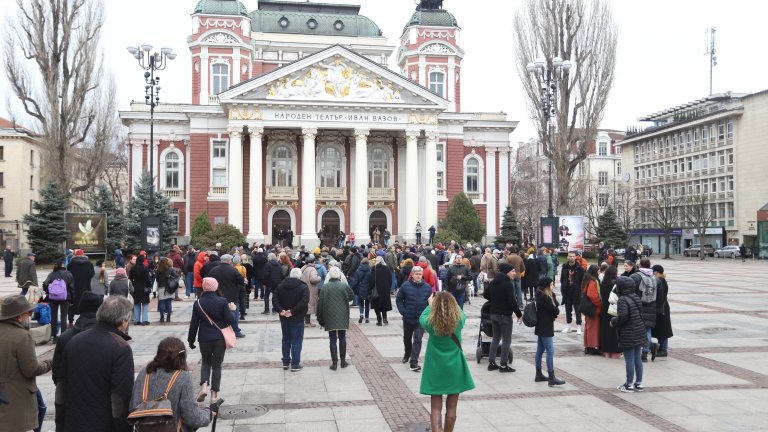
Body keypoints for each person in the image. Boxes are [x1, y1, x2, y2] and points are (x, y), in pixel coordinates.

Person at [59, 295, 134, 431]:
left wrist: (60, 424)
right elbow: (121, 397)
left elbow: (61, 388)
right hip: (103, 424)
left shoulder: (74, 341)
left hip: (73, 423)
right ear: (123, 321)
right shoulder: (121, 348)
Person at [419, 292, 475, 432]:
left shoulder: (430, 323)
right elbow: (461, 311)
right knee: (452, 406)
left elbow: (422, 317)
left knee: (435, 407)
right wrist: (452, 302)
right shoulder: (459, 320)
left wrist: (431, 305)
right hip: (454, 366)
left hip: (435, 366)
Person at [130, 337, 212, 431]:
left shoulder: (144, 373)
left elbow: (133, 407)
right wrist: (208, 413)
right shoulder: (183, 377)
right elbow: (192, 418)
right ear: (182, 357)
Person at [0, 295, 53, 432]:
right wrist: (50, 363)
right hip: (16, 394)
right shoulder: (22, 336)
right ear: (18, 316)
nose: (30, 315)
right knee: (38, 410)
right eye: (28, 313)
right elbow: (31, 369)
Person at [51, 292, 102, 430]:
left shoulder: (65, 337)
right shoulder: (108, 338)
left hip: (71, 403)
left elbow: (56, 372)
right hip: (100, 405)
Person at [188, 277, 238, 403]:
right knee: (217, 366)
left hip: (204, 337)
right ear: (216, 287)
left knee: (205, 362)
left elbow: (194, 323)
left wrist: (191, 340)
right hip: (219, 338)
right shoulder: (222, 301)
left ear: (204, 287)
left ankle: (204, 386)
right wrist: (232, 310)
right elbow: (230, 320)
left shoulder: (198, 303)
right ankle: (214, 396)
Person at [483, 262, 523, 373]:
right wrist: (519, 314)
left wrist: (495, 299)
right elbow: (512, 301)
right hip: (504, 315)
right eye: (513, 271)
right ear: (507, 272)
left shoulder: (494, 281)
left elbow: (486, 295)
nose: (514, 273)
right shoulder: (507, 283)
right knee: (506, 339)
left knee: (496, 338)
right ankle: (504, 365)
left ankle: (491, 362)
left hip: (494, 314)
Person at [611, 276, 647, 393]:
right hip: (639, 331)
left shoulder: (622, 299)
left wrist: (613, 321)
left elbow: (623, 317)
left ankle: (629, 384)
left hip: (628, 333)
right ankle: (639, 383)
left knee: (629, 359)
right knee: (637, 358)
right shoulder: (635, 296)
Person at [316, 266, 355, 370]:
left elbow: (320, 303)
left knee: (332, 338)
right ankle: (343, 361)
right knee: (342, 337)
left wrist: (319, 317)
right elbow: (352, 296)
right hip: (342, 314)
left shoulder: (326, 287)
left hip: (329, 315)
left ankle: (334, 363)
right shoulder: (344, 286)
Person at [396, 266, 432, 372]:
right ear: (412, 275)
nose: (418, 276)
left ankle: (414, 362)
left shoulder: (427, 287)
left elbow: (430, 303)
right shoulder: (405, 286)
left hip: (420, 319)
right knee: (407, 338)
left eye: (420, 274)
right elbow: (399, 299)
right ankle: (407, 353)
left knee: (418, 339)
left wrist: (428, 314)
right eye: (416, 274)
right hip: (408, 317)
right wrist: (403, 311)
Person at [531, 277, 566, 386]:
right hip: (546, 326)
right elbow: (555, 310)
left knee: (540, 351)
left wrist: (553, 297)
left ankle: (538, 374)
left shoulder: (540, 295)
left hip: (541, 326)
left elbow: (555, 308)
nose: (553, 286)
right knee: (550, 351)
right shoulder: (545, 297)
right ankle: (551, 377)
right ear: (546, 286)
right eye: (551, 284)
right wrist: (553, 302)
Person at [273, 268, 310, 371]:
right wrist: (292, 311)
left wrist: (281, 310)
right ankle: (295, 363)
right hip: (297, 317)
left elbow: (275, 300)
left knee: (286, 339)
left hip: (284, 317)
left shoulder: (280, 286)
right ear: (300, 276)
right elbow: (304, 302)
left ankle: (285, 361)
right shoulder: (303, 287)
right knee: (296, 341)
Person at [209, 254, 246, 338]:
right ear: (229, 261)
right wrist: (237, 288)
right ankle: (236, 331)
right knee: (233, 315)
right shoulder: (233, 270)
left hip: (218, 296)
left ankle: (220, 331)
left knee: (219, 315)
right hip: (232, 296)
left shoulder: (214, 270)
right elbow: (241, 281)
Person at [630, 257, 658, 362]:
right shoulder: (654, 277)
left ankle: (641, 350)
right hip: (651, 306)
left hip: (639, 307)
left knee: (636, 330)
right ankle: (645, 352)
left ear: (639, 265)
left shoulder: (636, 276)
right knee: (648, 330)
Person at [42, 259, 75, 342]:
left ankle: (54, 336)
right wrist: (72, 300)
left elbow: (45, 284)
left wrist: (48, 292)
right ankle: (63, 336)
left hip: (53, 297)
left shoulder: (52, 274)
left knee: (54, 316)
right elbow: (72, 288)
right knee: (64, 317)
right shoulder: (68, 274)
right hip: (65, 297)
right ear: (63, 265)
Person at [599, 266, 621, 359]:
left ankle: (606, 351)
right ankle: (615, 351)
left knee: (605, 330)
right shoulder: (616, 283)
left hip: (604, 309)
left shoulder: (603, 283)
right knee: (614, 330)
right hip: (614, 309)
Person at [651, 264, 673, 358]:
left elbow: (661, 296)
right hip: (662, 307)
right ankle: (661, 348)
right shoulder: (660, 280)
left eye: (653, 270)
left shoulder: (660, 280)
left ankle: (663, 349)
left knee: (663, 330)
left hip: (662, 308)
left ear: (656, 271)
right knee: (661, 329)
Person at [559, 251, 584, 334]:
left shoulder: (579, 268)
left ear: (576, 257)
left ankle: (579, 326)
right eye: (570, 256)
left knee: (577, 310)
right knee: (568, 310)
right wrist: (563, 288)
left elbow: (583, 281)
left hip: (576, 292)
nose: (572, 258)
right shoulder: (565, 267)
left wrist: (580, 291)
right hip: (567, 292)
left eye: (573, 256)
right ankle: (568, 326)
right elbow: (562, 279)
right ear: (567, 257)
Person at [68, 249, 94, 324]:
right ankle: (83, 321)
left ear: (75, 255)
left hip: (74, 289)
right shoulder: (89, 263)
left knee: (72, 305)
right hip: (86, 287)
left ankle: (70, 322)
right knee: (85, 304)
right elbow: (92, 274)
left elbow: (68, 275)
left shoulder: (71, 264)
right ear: (83, 254)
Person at [581, 265, 602, 355]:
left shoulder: (586, 279)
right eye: (598, 271)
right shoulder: (593, 281)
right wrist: (599, 304)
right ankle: (592, 346)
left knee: (588, 326)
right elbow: (592, 295)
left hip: (587, 307)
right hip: (593, 308)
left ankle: (588, 346)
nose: (599, 273)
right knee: (593, 328)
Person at [129, 252, 151, 325]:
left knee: (136, 304)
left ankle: (136, 320)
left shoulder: (133, 268)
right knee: (145, 304)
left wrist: (134, 282)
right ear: (143, 261)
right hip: (144, 287)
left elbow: (130, 278)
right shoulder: (145, 268)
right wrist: (149, 285)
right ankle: (144, 320)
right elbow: (147, 279)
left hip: (136, 287)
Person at [370, 256, 393, 325]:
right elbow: (390, 279)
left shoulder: (374, 268)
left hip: (376, 290)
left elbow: (372, 280)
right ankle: (385, 318)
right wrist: (388, 287)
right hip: (385, 290)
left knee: (376, 305)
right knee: (384, 304)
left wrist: (370, 288)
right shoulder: (386, 268)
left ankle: (379, 320)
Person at [301, 255, 322, 327]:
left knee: (306, 305)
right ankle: (307, 322)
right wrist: (319, 278)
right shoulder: (312, 269)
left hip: (304, 288)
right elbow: (313, 279)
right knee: (309, 305)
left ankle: (306, 321)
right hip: (310, 289)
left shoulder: (304, 268)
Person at [155, 257, 178, 323]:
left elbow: (157, 279)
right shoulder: (170, 269)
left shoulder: (159, 270)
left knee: (161, 302)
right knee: (169, 303)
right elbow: (175, 277)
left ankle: (162, 317)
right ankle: (168, 317)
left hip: (161, 287)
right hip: (169, 287)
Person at [352, 257, 372, 323]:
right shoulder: (370, 270)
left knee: (360, 303)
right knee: (367, 304)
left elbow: (356, 281)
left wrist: (353, 287)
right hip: (368, 289)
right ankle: (367, 318)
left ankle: (361, 314)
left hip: (360, 288)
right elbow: (371, 281)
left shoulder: (358, 270)